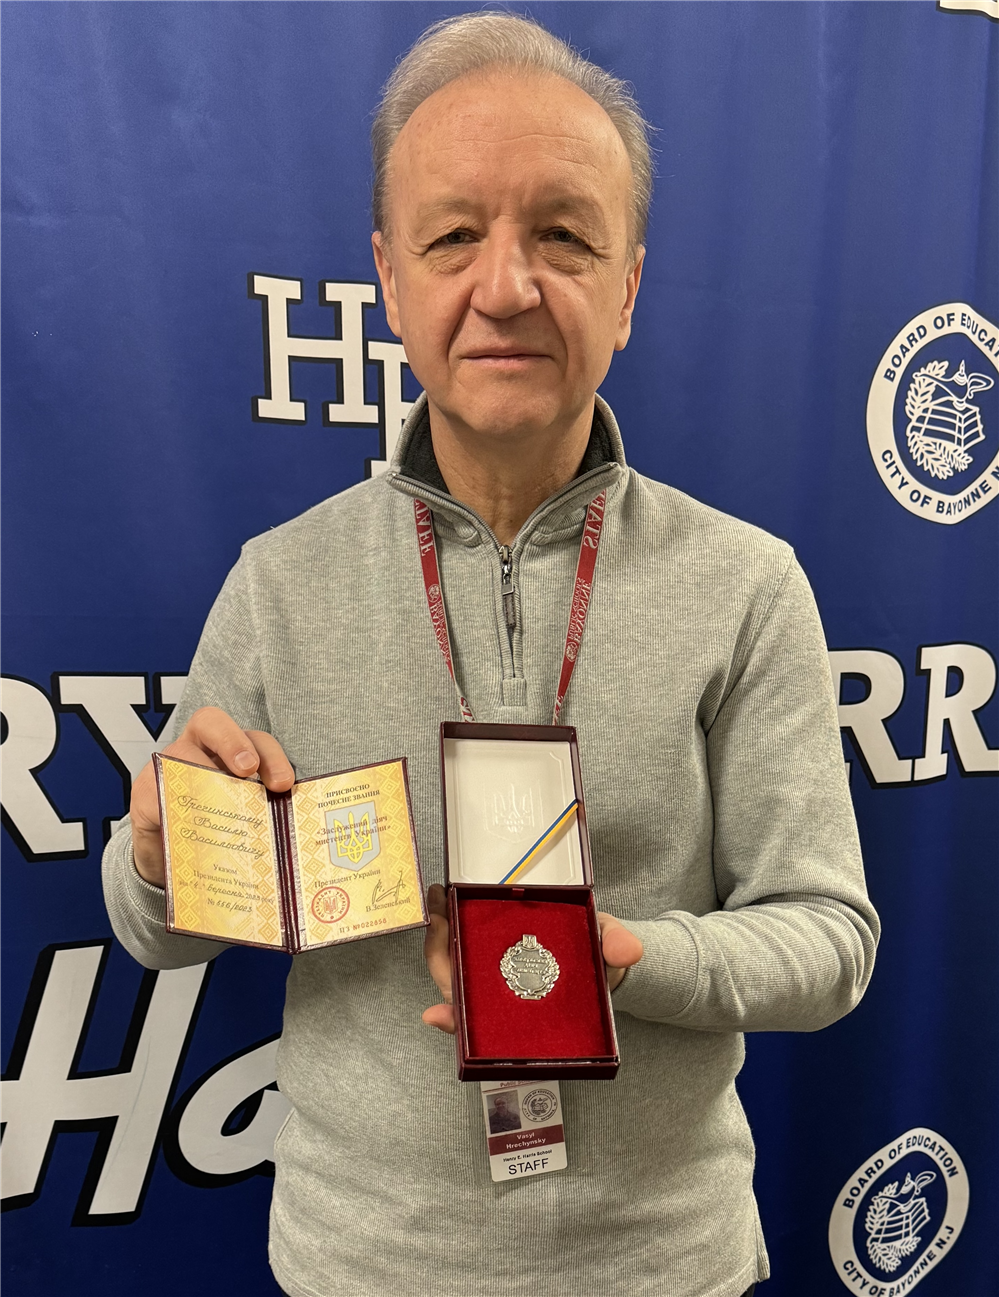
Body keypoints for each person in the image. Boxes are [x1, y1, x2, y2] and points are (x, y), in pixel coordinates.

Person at [103, 13, 879, 1297]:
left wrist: (637, 961)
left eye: (563, 235)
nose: (506, 286)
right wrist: (156, 859)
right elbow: (153, 935)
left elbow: (832, 939)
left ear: (626, 286)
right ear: (390, 279)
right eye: (454, 234)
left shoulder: (746, 584)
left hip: (665, 1268)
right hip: (365, 1268)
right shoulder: (280, 581)